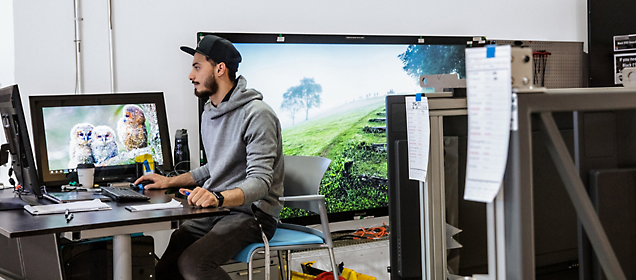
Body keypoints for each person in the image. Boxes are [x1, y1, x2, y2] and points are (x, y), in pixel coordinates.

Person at [135, 35, 284, 280]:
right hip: (220, 210)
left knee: (193, 264)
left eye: (196, 67)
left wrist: (217, 197)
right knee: (166, 266)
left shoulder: (257, 115)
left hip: (253, 214)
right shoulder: (209, 112)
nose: (190, 76)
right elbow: (215, 167)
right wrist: (168, 181)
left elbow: (260, 182)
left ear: (220, 69)